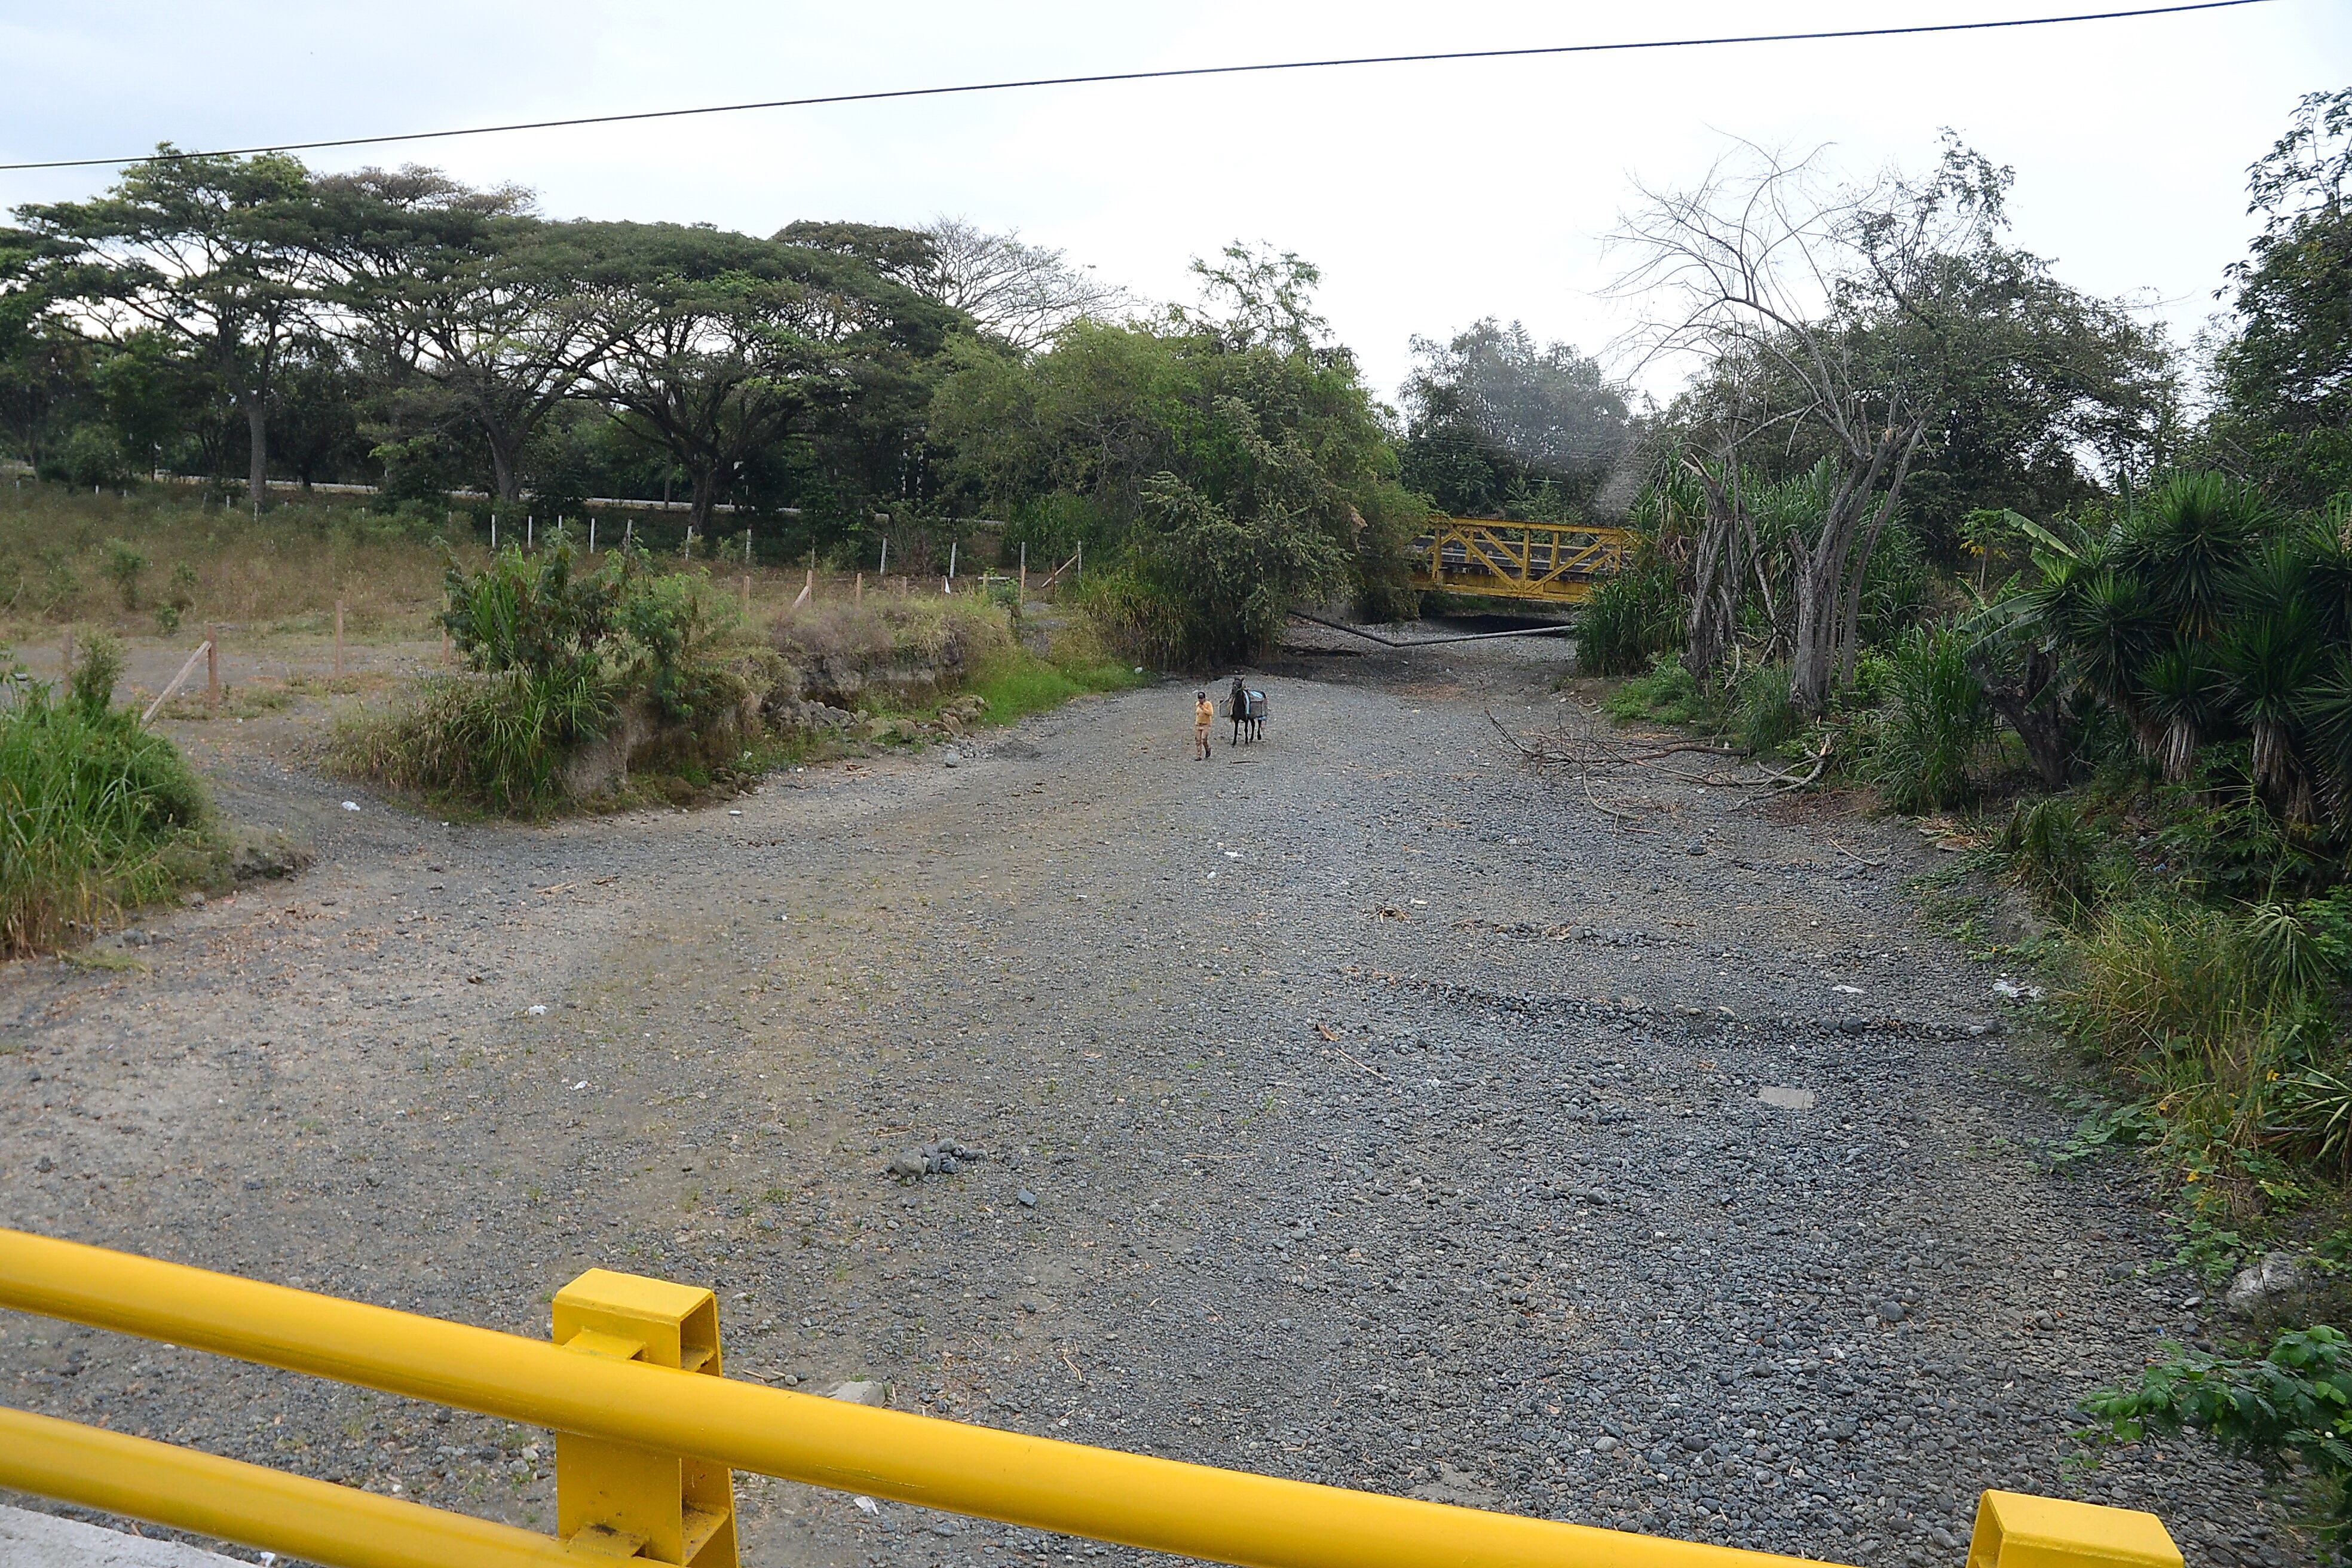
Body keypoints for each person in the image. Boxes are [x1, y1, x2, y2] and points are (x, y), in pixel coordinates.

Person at [1194, 690, 1215, 760]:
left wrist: (1203, 709)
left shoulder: (1208, 704)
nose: (1200, 700)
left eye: (1201, 698)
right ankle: (1199, 755)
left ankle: (1208, 749)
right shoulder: (1197, 704)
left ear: (1204, 698)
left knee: (1204, 739)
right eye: (1199, 698)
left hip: (1206, 724)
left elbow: (1211, 713)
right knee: (1198, 740)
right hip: (1198, 724)